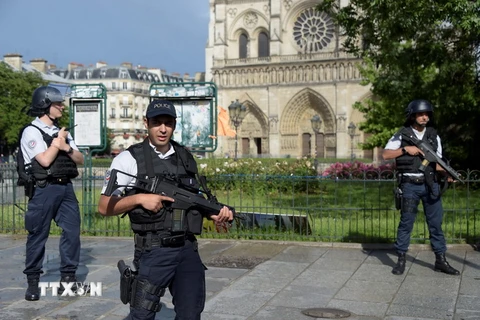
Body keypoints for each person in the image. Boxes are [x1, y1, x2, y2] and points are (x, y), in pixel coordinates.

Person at [98, 99, 233, 320]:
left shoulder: (185, 157)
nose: (162, 129)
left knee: (191, 314)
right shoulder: (128, 159)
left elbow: (193, 199)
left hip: (187, 249)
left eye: (168, 123)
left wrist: (214, 212)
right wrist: (140, 199)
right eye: (156, 122)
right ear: (146, 123)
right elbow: (104, 207)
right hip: (153, 251)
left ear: (174, 124)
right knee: (141, 315)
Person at [21, 85, 84, 300]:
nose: (61, 107)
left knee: (72, 232)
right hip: (44, 188)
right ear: (45, 105)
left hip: (65, 187)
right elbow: (45, 160)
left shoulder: (63, 132)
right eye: (57, 104)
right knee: (38, 235)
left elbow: (80, 159)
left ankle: (67, 279)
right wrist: (58, 144)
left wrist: (66, 147)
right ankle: (33, 282)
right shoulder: (32, 131)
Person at [383, 99, 460, 276]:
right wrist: (405, 150)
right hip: (410, 185)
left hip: (430, 185)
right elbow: (386, 154)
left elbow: (437, 163)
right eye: (420, 114)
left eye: (427, 114)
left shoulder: (433, 136)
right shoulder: (401, 135)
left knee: (435, 224)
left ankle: (440, 260)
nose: (424, 117)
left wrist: (449, 174)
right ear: (412, 116)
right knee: (406, 223)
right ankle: (401, 260)